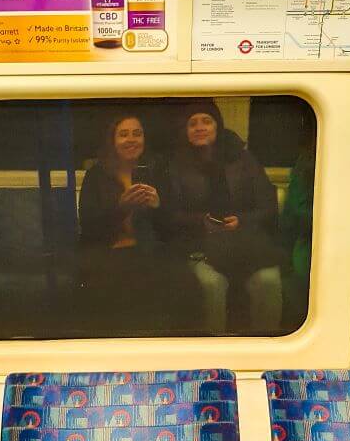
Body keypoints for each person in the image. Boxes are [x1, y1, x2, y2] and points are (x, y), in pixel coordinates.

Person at [161, 100, 282, 334]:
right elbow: (169, 214)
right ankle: (214, 357)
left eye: (206, 121)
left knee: (269, 281)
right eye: (192, 123)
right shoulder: (175, 164)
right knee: (211, 285)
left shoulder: (243, 158)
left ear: (217, 126)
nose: (200, 127)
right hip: (199, 248)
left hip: (246, 244)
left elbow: (268, 205)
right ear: (185, 132)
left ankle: (267, 351)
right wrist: (201, 222)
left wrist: (242, 221)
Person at [77, 113, 178, 334]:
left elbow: (171, 228)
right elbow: (88, 225)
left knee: (169, 280)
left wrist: (158, 205)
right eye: (123, 134)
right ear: (112, 141)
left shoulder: (157, 170)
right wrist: (120, 207)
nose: (131, 139)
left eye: (137, 134)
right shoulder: (97, 174)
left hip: (148, 250)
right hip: (107, 251)